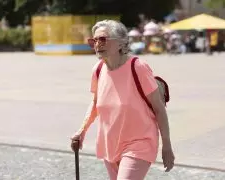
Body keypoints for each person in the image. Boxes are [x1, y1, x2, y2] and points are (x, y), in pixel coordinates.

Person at [70, 20, 175, 180]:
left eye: (103, 39)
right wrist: (82, 131)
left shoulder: (138, 67)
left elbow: (159, 108)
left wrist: (166, 146)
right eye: (94, 41)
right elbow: (96, 103)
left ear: (120, 43)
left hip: (139, 143)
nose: (98, 44)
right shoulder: (98, 70)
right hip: (110, 144)